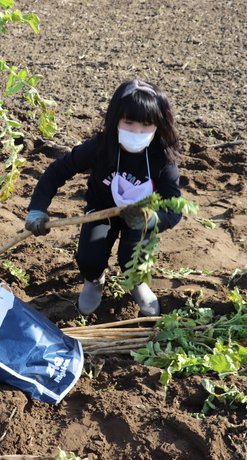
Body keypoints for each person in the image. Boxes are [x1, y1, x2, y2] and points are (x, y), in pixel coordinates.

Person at [25, 79, 182, 317]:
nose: (136, 132)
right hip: (102, 210)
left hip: (142, 216)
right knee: (89, 258)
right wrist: (38, 208)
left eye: (146, 125)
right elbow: (57, 171)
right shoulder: (100, 148)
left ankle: (137, 283)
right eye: (128, 123)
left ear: (159, 125)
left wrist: (151, 219)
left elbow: (174, 208)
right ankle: (94, 282)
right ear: (115, 119)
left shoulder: (163, 159)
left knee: (132, 258)